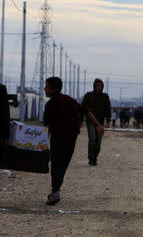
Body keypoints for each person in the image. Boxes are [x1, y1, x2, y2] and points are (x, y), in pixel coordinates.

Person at [44, 77, 104, 205]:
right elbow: (86, 111)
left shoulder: (50, 104)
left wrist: (41, 142)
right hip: (71, 139)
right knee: (63, 164)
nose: (45, 89)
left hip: (58, 139)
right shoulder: (69, 99)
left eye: (47, 87)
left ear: (54, 90)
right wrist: (98, 125)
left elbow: (46, 126)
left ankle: (55, 191)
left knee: (56, 164)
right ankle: (55, 190)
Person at [81, 78, 111, 166]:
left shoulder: (105, 97)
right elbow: (82, 107)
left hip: (101, 122)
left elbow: (108, 109)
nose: (99, 87)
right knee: (92, 139)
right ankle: (91, 159)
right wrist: (80, 119)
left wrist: (108, 120)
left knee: (98, 142)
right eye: (97, 85)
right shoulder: (88, 95)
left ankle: (95, 157)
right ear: (94, 86)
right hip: (90, 121)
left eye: (101, 86)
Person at [0, 84, 10, 166]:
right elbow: (5, 113)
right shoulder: (1, 88)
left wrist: (6, 135)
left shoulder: (1, 88)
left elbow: (5, 113)